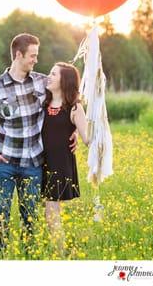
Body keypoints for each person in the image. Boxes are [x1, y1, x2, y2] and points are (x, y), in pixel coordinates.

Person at [0, 34, 77, 254]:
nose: (35, 59)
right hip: (4, 163)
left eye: (36, 55)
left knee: (30, 220)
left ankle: (28, 257)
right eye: (32, 55)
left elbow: (70, 93)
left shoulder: (42, 81)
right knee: (1, 216)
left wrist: (75, 130)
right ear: (18, 55)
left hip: (33, 165)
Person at [41, 62, 88, 253]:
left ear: (64, 81)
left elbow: (88, 139)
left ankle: (59, 252)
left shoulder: (75, 108)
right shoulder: (43, 102)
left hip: (59, 164)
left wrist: (90, 126)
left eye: (54, 74)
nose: (49, 76)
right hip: (39, 162)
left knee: (51, 210)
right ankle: (52, 247)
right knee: (45, 210)